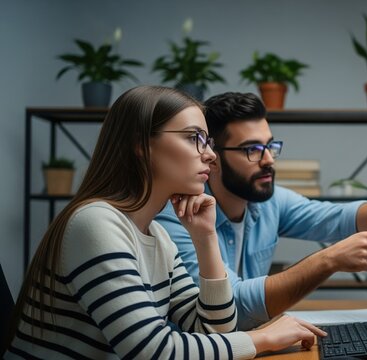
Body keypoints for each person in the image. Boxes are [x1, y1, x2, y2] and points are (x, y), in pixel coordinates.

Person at [4, 86, 325, 359]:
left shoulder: (156, 234)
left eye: (208, 142)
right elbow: (153, 352)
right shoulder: (96, 223)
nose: (210, 155)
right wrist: (262, 338)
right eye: (193, 138)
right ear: (142, 145)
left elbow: (215, 329)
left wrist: (206, 238)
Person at [156, 92, 367, 330]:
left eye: (270, 146)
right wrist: (328, 260)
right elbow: (231, 302)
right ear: (212, 157)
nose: (268, 160)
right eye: (253, 149)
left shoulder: (268, 201)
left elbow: (339, 219)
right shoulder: (180, 214)